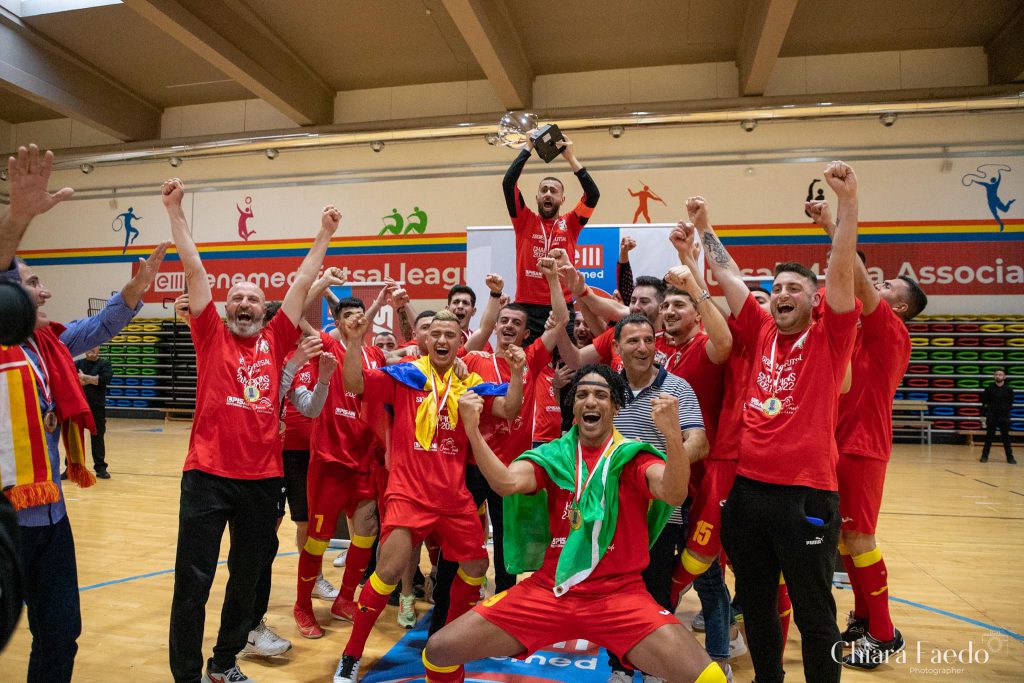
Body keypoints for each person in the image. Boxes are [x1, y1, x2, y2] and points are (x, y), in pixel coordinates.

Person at [421, 365, 726, 683]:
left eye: (600, 395)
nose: (590, 401)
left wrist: (672, 435)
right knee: (440, 649)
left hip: (619, 596)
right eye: (582, 394)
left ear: (615, 407)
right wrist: (471, 429)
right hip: (549, 591)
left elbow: (674, 491)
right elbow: (506, 482)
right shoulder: (553, 455)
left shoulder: (632, 456)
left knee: (708, 677)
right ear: (574, 408)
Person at [162, 176, 339, 683]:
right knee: (192, 582)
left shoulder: (278, 335)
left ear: (265, 310)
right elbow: (195, 269)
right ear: (224, 306)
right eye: (235, 296)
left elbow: (302, 281)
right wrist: (176, 211)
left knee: (247, 580)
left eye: (252, 298)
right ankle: (187, 674)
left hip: (262, 479)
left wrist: (323, 234)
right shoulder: (209, 333)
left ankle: (223, 663)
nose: (243, 303)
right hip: (207, 476)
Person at [1, 144, 167, 683]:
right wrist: (19, 217)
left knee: (61, 632)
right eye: (30, 282)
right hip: (3, 519)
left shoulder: (47, 344)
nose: (43, 289)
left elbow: (95, 331)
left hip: (49, 511)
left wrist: (134, 294)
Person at [704, 161, 862, 683]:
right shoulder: (760, 328)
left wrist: (847, 205)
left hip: (806, 497)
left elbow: (840, 269)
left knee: (816, 616)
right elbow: (727, 275)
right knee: (756, 608)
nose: (783, 294)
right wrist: (705, 228)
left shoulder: (830, 335)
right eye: (777, 288)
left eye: (795, 287)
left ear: (814, 299)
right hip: (749, 493)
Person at [331, 308, 524, 683]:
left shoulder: (470, 388)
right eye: (434, 333)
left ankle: (447, 648)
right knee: (387, 571)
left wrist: (516, 374)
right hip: (408, 494)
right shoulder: (405, 378)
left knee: (475, 569)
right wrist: (354, 342)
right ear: (423, 340)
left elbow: (509, 407)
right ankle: (351, 656)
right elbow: (354, 384)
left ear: (461, 342)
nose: (441, 340)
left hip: (453, 498)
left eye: (450, 335)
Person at [807, 198, 929, 667]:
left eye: (887, 284)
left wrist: (831, 225)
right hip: (834, 446)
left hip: (861, 447)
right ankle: (862, 616)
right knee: (844, 541)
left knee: (859, 540)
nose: (877, 284)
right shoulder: (852, 329)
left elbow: (853, 273)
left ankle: (883, 633)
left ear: (897, 303)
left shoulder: (892, 331)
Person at [430, 257, 570, 635]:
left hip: (511, 472)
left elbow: (561, 319)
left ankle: (503, 619)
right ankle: (442, 613)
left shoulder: (533, 358)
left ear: (526, 333)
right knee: (457, 544)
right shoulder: (473, 358)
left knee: (509, 550)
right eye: (504, 321)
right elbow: (444, 356)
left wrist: (553, 279)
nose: (508, 327)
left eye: (516, 323)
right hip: (472, 468)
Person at [603, 313, 712, 682]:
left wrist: (664, 459)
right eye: (633, 341)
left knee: (656, 596)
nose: (643, 348)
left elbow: (699, 440)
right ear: (617, 348)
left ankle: (654, 669)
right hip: (610, 512)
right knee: (612, 595)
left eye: (649, 340)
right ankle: (619, 666)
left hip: (662, 513)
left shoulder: (677, 389)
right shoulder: (604, 387)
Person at [288, 296, 389, 640]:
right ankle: (302, 605)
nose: (357, 319)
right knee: (318, 540)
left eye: (361, 314)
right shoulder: (328, 344)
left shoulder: (374, 355)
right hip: (330, 460)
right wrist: (325, 286)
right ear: (337, 321)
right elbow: (297, 313)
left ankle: (345, 599)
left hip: (364, 461)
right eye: (349, 315)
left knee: (366, 533)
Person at [502, 130, 599, 339]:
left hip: (561, 306)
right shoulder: (523, 219)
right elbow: (508, 183)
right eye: (544, 190)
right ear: (537, 196)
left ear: (562, 199)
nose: (548, 193)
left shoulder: (572, 223)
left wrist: (570, 157)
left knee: (565, 369)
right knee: (526, 367)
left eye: (553, 191)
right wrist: (528, 147)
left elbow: (593, 195)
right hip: (526, 308)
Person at [75, 347, 113, 479]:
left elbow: (104, 380)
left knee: (97, 436)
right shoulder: (78, 364)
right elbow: (73, 381)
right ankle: (71, 468)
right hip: (79, 406)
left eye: (94, 346)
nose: (91, 349)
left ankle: (100, 468)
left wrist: (84, 377)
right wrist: (93, 380)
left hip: (97, 407)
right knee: (74, 437)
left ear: (99, 348)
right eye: (89, 347)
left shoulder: (105, 364)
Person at [980, 369, 1016, 463]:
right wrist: (983, 415)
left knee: (1006, 438)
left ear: (1004, 377)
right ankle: (984, 456)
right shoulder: (989, 389)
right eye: (996, 374)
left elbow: (1011, 402)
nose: (998, 376)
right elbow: (984, 402)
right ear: (994, 376)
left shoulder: (1009, 389)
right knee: (989, 437)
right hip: (992, 416)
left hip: (1004, 417)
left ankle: (1010, 457)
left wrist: (1005, 411)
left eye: (1000, 374)